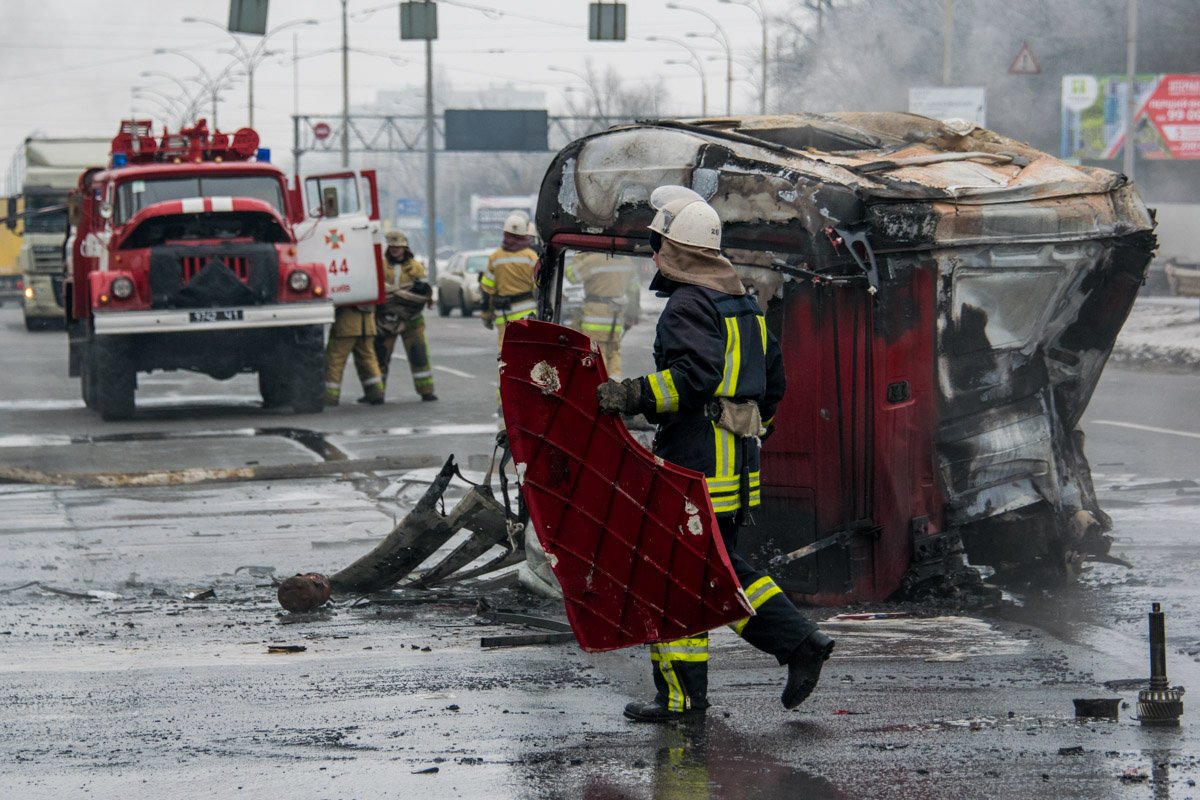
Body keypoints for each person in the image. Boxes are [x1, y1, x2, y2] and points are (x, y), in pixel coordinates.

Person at [595, 191, 835, 723]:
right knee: (718, 570)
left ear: (677, 250)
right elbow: (774, 384)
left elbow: (692, 380)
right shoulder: (742, 302)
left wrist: (631, 395)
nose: (653, 254)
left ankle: (683, 700)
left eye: (657, 244)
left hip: (694, 469)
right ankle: (799, 644)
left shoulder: (689, 305)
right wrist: (750, 433)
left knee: (675, 578)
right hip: (736, 469)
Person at [373, 230, 437, 402]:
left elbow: (422, 292)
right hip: (387, 319)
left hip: (412, 319)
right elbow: (378, 289)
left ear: (405, 248)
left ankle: (426, 390)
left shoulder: (416, 267)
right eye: (392, 247)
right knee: (381, 355)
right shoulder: (381, 266)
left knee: (418, 355)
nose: (395, 250)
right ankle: (377, 393)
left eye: (398, 247)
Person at [564, 251, 641, 378]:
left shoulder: (593, 260)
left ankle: (598, 390)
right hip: (616, 318)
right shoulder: (626, 260)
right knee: (613, 353)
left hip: (594, 319)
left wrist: (579, 256)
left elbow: (572, 276)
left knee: (597, 355)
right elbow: (634, 288)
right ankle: (614, 388)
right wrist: (631, 314)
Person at [480, 211, 539, 346]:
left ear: (505, 234)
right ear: (524, 235)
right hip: (528, 313)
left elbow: (487, 290)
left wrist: (486, 314)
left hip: (504, 313)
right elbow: (540, 286)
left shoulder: (495, 258)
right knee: (527, 352)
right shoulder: (531, 257)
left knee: (506, 355)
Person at [325, 302, 384, 407]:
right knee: (368, 358)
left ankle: (330, 397)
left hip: (346, 325)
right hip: (367, 324)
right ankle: (376, 392)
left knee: (335, 361)